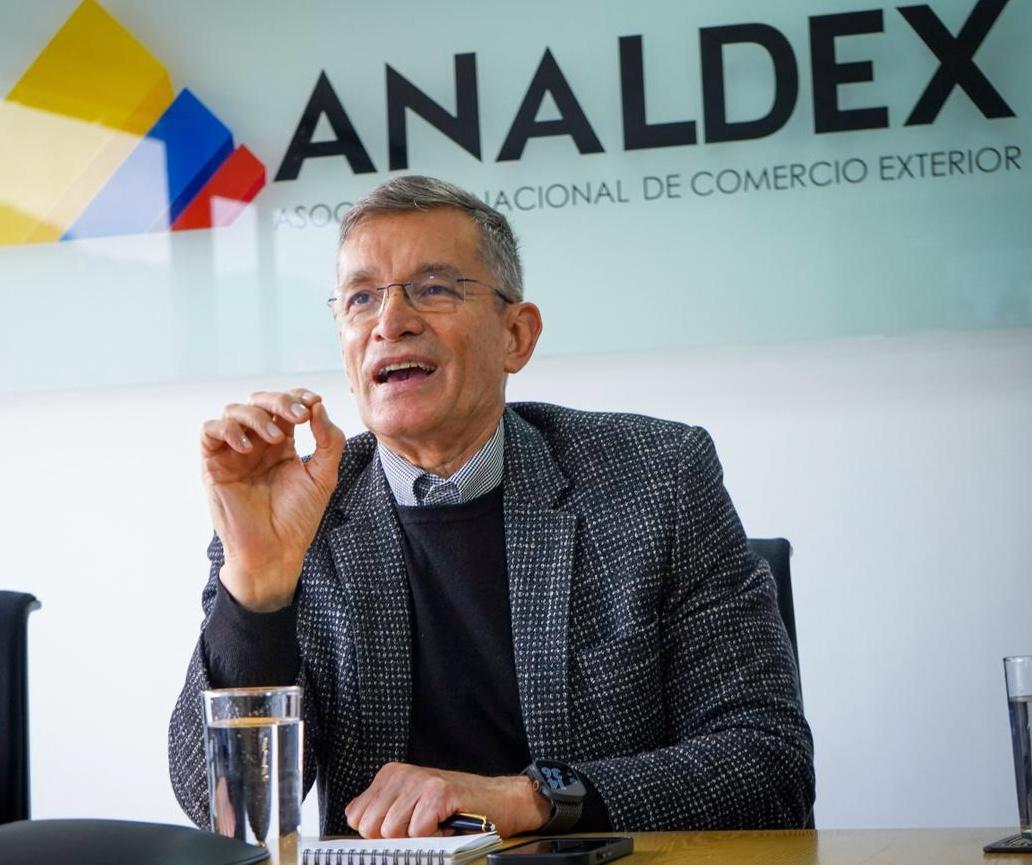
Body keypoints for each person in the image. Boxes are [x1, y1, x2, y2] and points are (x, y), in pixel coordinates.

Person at [169, 175, 814, 839]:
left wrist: (530, 798)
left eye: (434, 288)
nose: (390, 322)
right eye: (362, 298)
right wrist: (256, 590)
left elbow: (768, 765)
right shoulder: (301, 511)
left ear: (516, 335)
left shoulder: (656, 478)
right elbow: (221, 809)